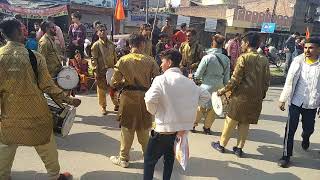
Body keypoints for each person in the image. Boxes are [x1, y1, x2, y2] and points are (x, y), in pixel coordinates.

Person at [0, 17, 81, 180]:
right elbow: (48, 86)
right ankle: (54, 176)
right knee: (46, 145)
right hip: (36, 113)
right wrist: (70, 100)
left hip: (9, 114)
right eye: (22, 28)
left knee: (6, 146)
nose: (25, 31)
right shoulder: (34, 57)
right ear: (17, 31)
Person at [143, 49, 211, 180]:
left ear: (168, 62)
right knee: (169, 160)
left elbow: (150, 100)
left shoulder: (161, 79)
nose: (160, 65)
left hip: (163, 131)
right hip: (180, 132)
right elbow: (206, 96)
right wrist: (191, 107)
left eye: (162, 62)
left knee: (149, 161)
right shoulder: (189, 82)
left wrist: (155, 111)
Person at [213, 32, 270, 157]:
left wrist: (222, 91)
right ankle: (239, 148)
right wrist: (261, 95)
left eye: (243, 43)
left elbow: (235, 80)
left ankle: (222, 145)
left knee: (231, 121)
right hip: (256, 98)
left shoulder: (243, 58)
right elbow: (266, 81)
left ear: (248, 43)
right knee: (245, 123)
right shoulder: (264, 60)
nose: (242, 45)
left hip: (240, 97)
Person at [110, 33, 160, 168]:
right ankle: (149, 158)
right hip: (145, 97)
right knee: (144, 129)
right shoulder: (150, 61)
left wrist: (124, 83)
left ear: (130, 45)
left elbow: (114, 82)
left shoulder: (123, 60)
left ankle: (124, 159)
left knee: (127, 129)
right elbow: (157, 81)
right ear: (142, 44)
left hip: (128, 97)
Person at [278, 37, 320, 168]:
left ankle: (305, 136)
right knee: (290, 130)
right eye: (306, 47)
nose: (307, 50)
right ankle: (286, 155)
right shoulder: (297, 61)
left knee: (309, 128)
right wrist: (283, 99)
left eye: (311, 48)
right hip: (296, 102)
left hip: (311, 103)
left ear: (318, 49)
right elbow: (289, 81)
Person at [192, 34, 230, 135]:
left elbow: (198, 74)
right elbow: (227, 79)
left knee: (200, 106)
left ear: (213, 43)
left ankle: (193, 124)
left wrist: (193, 77)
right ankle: (207, 127)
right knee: (214, 108)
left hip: (206, 86)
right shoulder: (226, 59)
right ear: (222, 45)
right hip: (219, 86)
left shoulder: (207, 58)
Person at [91, 24, 119, 114]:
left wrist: (117, 68)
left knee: (113, 89)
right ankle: (103, 107)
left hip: (111, 70)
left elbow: (115, 57)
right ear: (97, 33)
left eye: (104, 30)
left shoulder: (111, 44)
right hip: (101, 71)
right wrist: (95, 71)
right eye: (100, 31)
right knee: (101, 90)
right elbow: (93, 59)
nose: (103, 32)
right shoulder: (96, 45)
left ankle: (116, 104)